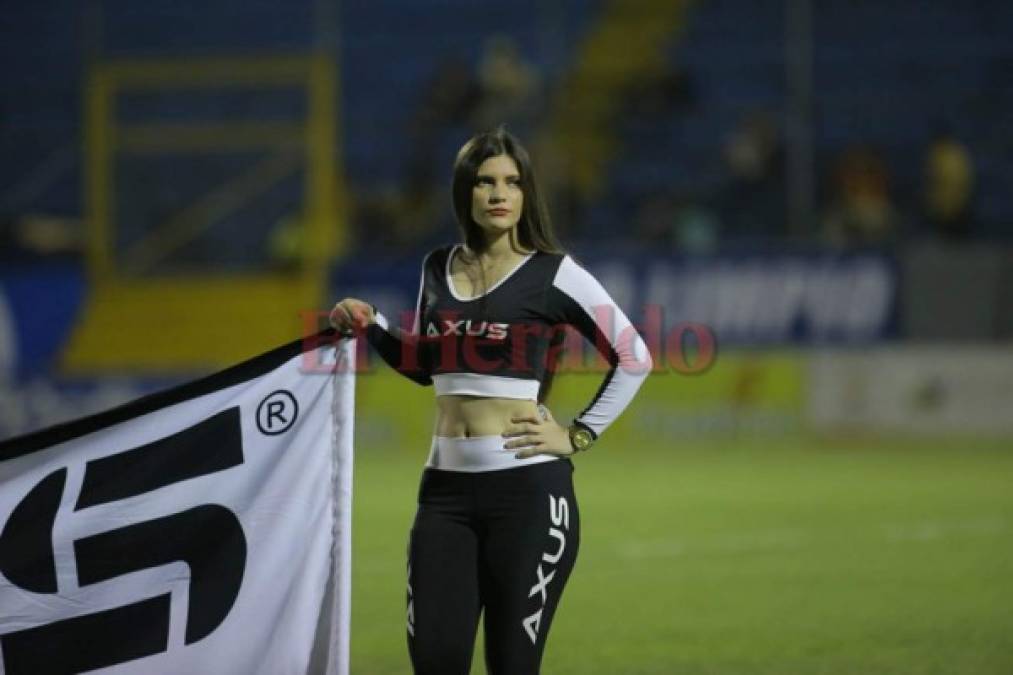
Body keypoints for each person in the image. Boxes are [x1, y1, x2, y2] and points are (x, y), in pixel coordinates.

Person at [329, 128, 652, 675]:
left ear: (526, 195)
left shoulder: (555, 272)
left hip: (527, 495)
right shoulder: (437, 267)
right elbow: (429, 367)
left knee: (512, 667)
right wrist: (375, 326)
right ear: (467, 192)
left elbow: (634, 354)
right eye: (485, 182)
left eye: (511, 182)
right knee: (435, 660)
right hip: (445, 496)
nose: (499, 193)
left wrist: (577, 434)